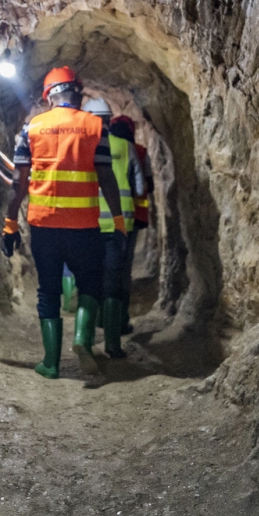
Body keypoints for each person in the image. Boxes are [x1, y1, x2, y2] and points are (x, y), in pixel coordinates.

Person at [1, 67, 125, 379]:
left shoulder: (31, 128)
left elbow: (18, 183)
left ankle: (51, 364)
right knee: (91, 283)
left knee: (49, 292)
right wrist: (119, 220)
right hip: (84, 225)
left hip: (44, 225)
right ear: (77, 92)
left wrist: (10, 224)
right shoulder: (96, 127)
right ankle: (83, 339)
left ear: (49, 95)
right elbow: (106, 176)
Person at [80, 99, 143, 359]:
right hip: (119, 223)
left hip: (87, 223)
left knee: (88, 282)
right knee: (114, 282)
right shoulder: (127, 147)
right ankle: (113, 344)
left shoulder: (80, 145)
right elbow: (139, 189)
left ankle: (83, 340)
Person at [112, 115, 151, 335]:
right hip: (130, 217)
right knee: (123, 269)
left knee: (102, 268)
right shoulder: (138, 151)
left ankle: (102, 318)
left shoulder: (100, 147)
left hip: (99, 218)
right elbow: (145, 186)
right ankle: (120, 320)